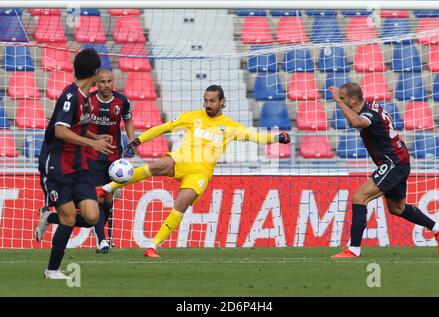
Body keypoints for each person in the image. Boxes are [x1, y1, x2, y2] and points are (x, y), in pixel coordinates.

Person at [97, 85, 291, 258]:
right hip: (181, 160)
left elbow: (255, 136)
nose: (208, 104)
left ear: (222, 102)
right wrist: (138, 140)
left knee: (181, 203)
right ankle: (106, 188)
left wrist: (277, 138)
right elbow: (164, 128)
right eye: (206, 100)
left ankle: (152, 246)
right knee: (155, 166)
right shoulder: (192, 116)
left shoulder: (231, 127)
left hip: (200, 173)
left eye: (212, 101)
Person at [329, 83, 439, 258]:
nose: (342, 100)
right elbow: (354, 119)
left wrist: (338, 101)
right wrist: (342, 101)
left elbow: (355, 122)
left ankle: (354, 249)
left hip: (394, 162)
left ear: (353, 99)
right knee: (396, 208)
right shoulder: (369, 107)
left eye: (345, 98)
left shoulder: (369, 114)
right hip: (399, 159)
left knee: (359, 197)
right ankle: (438, 227)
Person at [35, 49, 115, 279]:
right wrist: (91, 145)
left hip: (79, 167)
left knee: (92, 216)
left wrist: (94, 138)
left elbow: (77, 126)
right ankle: (51, 270)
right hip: (58, 165)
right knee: (69, 218)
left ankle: (49, 218)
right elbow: (60, 130)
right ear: (95, 72)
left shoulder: (84, 97)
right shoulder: (70, 97)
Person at [87, 69, 135, 253]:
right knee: (97, 196)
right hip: (92, 156)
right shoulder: (88, 101)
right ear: (96, 83)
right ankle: (102, 240)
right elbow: (80, 127)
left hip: (114, 157)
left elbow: (128, 120)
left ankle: (101, 235)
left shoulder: (121, 101)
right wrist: (95, 139)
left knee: (108, 199)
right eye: (102, 82)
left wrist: (132, 140)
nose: (106, 85)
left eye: (109, 81)